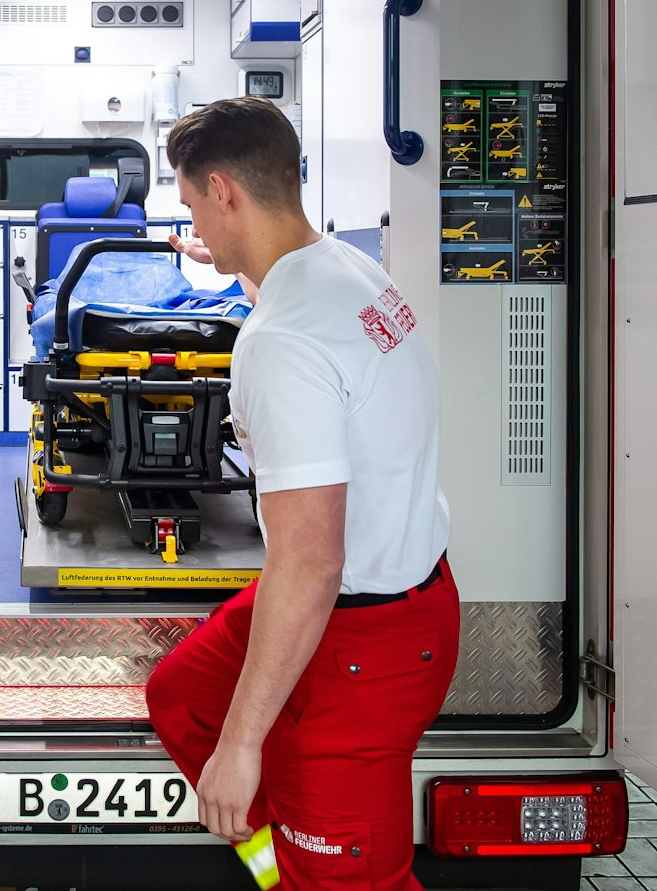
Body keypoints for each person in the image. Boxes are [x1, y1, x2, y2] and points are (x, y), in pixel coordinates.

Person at [145, 96, 457, 891]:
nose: (194, 225)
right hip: (403, 593)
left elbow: (311, 563)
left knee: (355, 880)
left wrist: (242, 743)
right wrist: (229, 259)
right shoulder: (346, 270)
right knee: (183, 694)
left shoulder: (281, 341)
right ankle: (278, 865)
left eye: (192, 205)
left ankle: (309, 865)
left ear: (223, 191)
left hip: (361, 639)